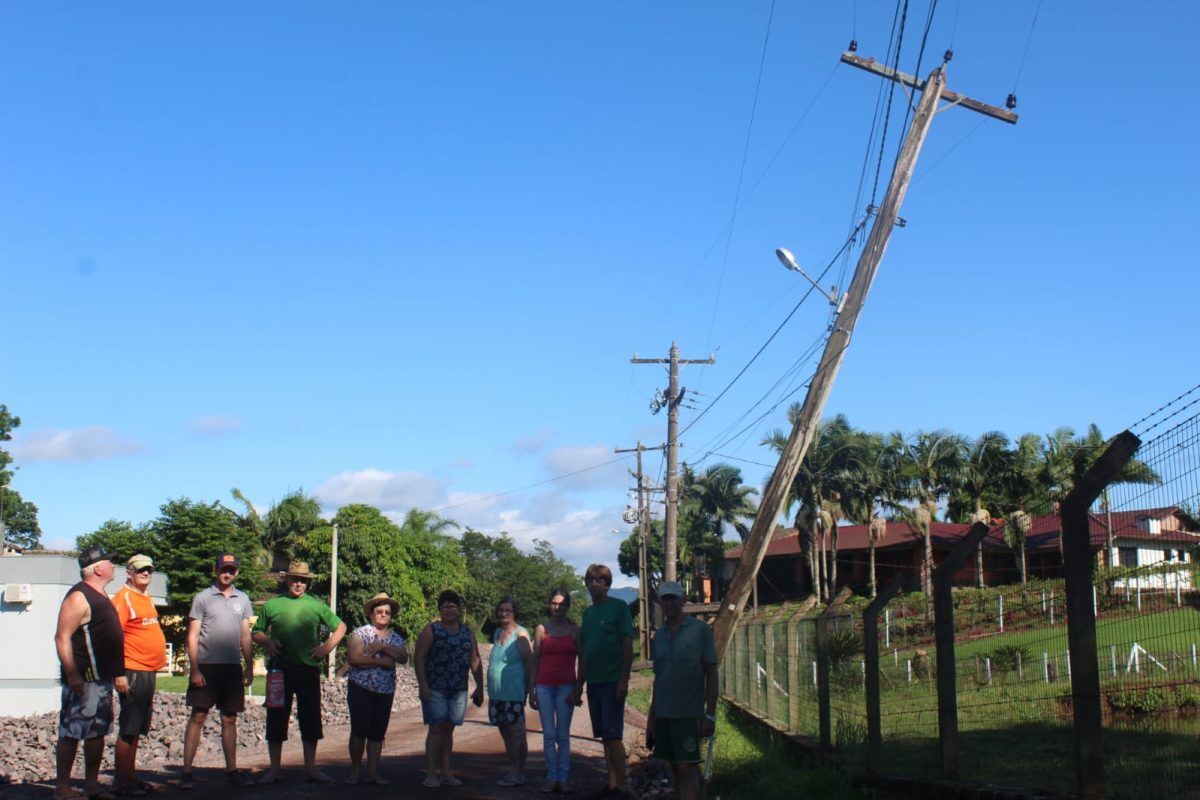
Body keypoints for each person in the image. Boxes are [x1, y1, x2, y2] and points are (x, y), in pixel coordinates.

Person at [251, 561, 347, 785]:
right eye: (295, 579)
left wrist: (326, 648)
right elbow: (256, 632)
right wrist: (268, 642)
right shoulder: (272, 605)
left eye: (302, 580)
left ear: (308, 583)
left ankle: (311, 769)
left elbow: (340, 627)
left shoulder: (316, 605)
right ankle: (274, 770)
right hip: (279, 671)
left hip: (308, 670)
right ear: (287, 580)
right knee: (276, 719)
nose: (298, 584)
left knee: (310, 719)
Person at [54, 545, 125, 800]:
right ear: (97, 568)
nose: (112, 566)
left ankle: (91, 785)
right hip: (83, 681)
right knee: (72, 733)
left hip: (101, 680)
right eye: (109, 562)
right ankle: (62, 788)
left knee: (97, 733)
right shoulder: (78, 596)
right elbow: (62, 637)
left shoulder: (101, 594)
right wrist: (72, 673)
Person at [182, 552, 255, 789]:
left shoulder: (242, 599)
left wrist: (249, 666)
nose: (227, 574)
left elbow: (245, 635)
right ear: (216, 571)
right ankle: (186, 770)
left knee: (230, 718)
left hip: (232, 667)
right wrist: (194, 669)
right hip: (206, 667)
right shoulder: (202, 598)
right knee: (198, 716)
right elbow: (192, 636)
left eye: (232, 570)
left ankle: (232, 769)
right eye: (224, 569)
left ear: (237, 572)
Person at [645, 582, 718, 800]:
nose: (669, 603)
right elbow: (659, 678)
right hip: (664, 714)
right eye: (665, 599)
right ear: (660, 602)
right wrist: (652, 717)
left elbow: (711, 673)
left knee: (687, 768)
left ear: (683, 600)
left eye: (673, 598)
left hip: (688, 714)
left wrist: (710, 714)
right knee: (675, 769)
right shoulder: (659, 636)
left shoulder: (700, 630)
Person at [413, 589, 484, 789]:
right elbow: (419, 658)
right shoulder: (431, 630)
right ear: (440, 609)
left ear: (459, 609)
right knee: (436, 730)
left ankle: (446, 772)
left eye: (452, 606)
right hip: (435, 688)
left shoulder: (467, 632)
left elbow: (475, 659)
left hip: (458, 689)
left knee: (449, 730)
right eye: (445, 606)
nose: (449, 610)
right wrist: (423, 685)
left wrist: (480, 686)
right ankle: (430, 774)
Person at [112, 554, 168, 797]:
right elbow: (114, 638)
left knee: (137, 728)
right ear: (129, 572)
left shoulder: (144, 597)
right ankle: (121, 782)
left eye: (149, 570)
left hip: (148, 669)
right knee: (128, 727)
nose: (146, 574)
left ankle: (131, 777)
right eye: (140, 570)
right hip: (132, 669)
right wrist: (118, 673)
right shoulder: (123, 598)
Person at [579, 563, 634, 797]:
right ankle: (611, 784)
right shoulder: (588, 613)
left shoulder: (619, 607)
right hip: (594, 682)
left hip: (613, 680)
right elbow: (585, 650)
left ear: (607, 584)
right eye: (591, 580)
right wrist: (578, 684)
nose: (595, 584)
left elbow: (627, 644)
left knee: (614, 736)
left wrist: (624, 679)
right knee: (604, 735)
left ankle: (621, 785)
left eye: (600, 580)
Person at [345, 592, 408, 786]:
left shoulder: (396, 637)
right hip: (360, 688)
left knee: (377, 734)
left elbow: (403, 657)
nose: (383, 615)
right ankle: (355, 771)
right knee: (358, 731)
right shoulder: (360, 633)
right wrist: (383, 662)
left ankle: (373, 772)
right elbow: (354, 659)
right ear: (371, 614)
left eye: (386, 612)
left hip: (385, 690)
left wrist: (381, 646)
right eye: (379, 611)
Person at [529, 587, 583, 795]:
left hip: (566, 686)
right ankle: (551, 777)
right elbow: (535, 659)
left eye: (561, 604)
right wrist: (531, 689)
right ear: (549, 605)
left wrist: (579, 687)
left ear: (568, 606)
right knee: (549, 734)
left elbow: (583, 658)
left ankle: (564, 777)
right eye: (554, 603)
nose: (557, 607)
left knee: (562, 734)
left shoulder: (575, 630)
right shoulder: (542, 629)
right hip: (544, 685)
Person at [487, 596, 533, 788]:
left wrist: (530, 690)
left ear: (515, 613)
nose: (503, 613)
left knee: (517, 734)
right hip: (497, 694)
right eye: (501, 610)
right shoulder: (497, 632)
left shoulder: (520, 634)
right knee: (505, 732)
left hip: (513, 693)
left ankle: (519, 772)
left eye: (508, 610)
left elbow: (529, 662)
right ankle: (513, 769)